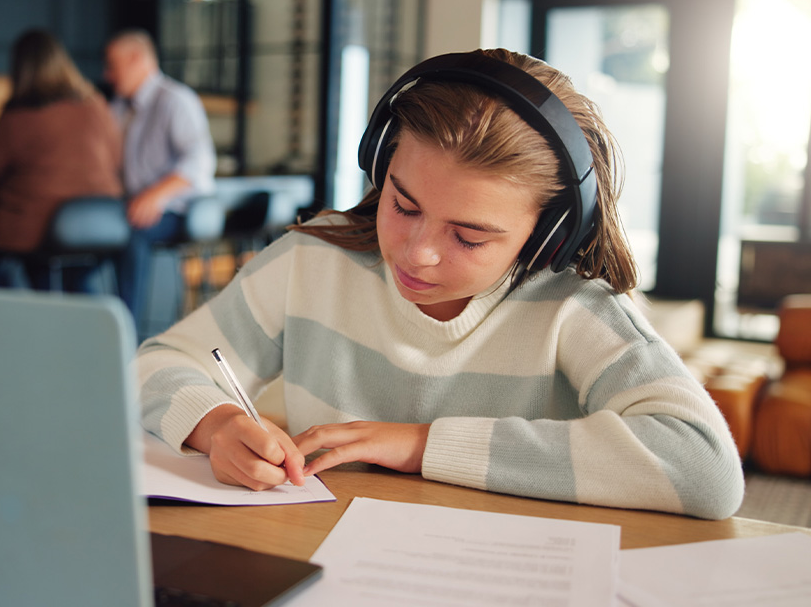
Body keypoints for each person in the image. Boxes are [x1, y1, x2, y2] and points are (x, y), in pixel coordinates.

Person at [136, 48, 746, 520]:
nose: (418, 254)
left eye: (469, 237)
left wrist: (421, 445)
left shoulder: (573, 304)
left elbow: (704, 469)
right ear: (381, 165)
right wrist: (214, 423)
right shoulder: (311, 261)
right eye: (402, 205)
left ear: (547, 233)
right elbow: (158, 361)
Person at [0, 28, 122, 291]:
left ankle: (19, 311)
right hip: (103, 222)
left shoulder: (18, 115)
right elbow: (116, 159)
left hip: (38, 228)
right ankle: (68, 318)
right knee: (69, 273)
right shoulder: (96, 105)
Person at [102, 28, 216, 328]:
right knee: (97, 229)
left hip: (174, 209)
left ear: (137, 59)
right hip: (128, 208)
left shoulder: (175, 100)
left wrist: (156, 194)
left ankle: (126, 332)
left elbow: (200, 161)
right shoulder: (116, 109)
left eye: (112, 65)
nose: (108, 75)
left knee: (132, 234)